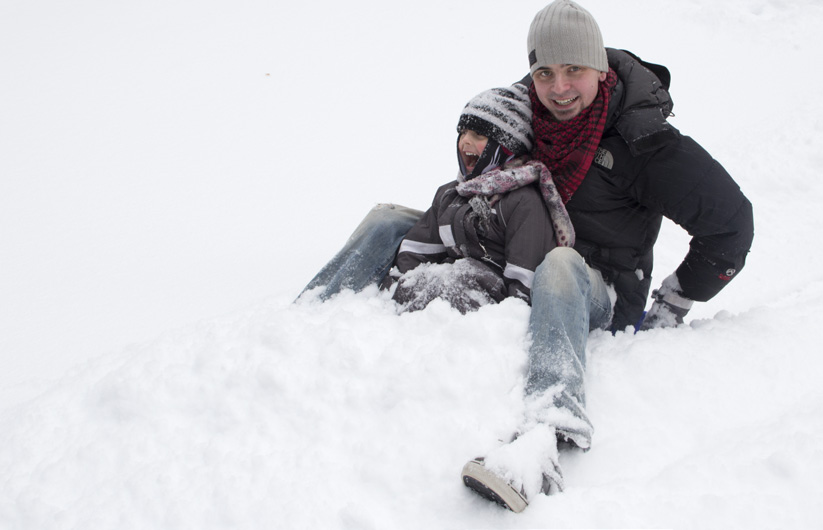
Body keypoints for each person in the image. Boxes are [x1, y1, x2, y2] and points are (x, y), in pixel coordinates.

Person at [299, 0, 754, 513]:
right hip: (517, 248)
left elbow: (732, 227)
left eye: (573, 71)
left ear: (598, 68)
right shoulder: (531, 108)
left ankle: (546, 435)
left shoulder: (645, 142)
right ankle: (305, 321)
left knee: (560, 265)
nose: (559, 88)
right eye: (545, 72)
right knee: (391, 219)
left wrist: (670, 306)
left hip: (593, 284)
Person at [386, 84, 574, 314]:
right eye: (462, 133)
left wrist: (506, 322)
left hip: (486, 305)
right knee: (410, 286)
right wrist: (401, 284)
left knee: (452, 286)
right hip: (445, 287)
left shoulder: (523, 201)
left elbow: (524, 283)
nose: (465, 141)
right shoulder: (451, 195)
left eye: (478, 135)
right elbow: (416, 252)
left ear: (507, 146)